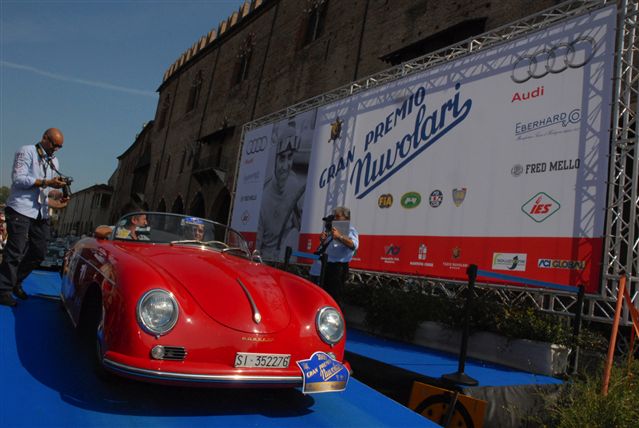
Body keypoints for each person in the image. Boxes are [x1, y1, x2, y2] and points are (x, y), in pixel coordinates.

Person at [0, 128, 69, 307]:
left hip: (40, 212)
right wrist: (46, 182)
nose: (56, 149)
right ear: (45, 138)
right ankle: (3, 289)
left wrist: (58, 195)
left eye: (60, 146)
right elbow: (18, 179)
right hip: (20, 209)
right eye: (54, 145)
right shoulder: (27, 151)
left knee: (39, 252)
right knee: (15, 251)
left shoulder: (54, 161)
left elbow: (46, 191)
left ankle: (15, 281)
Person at [256, 125, 305, 260]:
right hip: (266, 261)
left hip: (287, 261)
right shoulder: (263, 201)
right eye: (282, 158)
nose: (286, 166)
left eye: (290, 157)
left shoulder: (294, 184)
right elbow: (256, 249)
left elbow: (297, 224)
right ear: (274, 160)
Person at [319, 206, 358, 304]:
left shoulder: (350, 229)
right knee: (325, 294)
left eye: (337, 216)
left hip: (338, 268)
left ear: (346, 218)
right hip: (328, 266)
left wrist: (340, 236)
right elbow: (329, 248)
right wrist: (323, 240)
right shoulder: (335, 230)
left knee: (335, 297)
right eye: (335, 216)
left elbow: (353, 245)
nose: (335, 218)